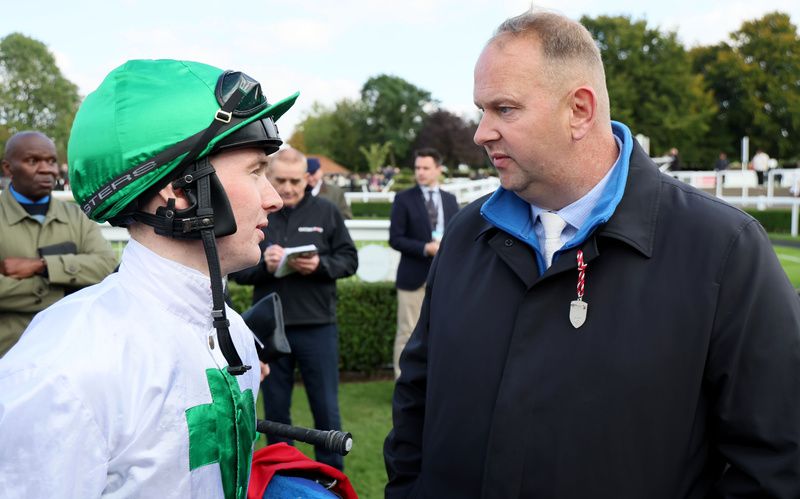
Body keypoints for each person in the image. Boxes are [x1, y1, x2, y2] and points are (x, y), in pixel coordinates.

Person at [384, 11, 800, 498]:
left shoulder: (724, 249)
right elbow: (417, 398)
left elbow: (775, 461)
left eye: (505, 109)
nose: (481, 132)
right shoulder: (466, 235)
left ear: (580, 110)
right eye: (481, 109)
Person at [0, 59, 298, 497]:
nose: (274, 199)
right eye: (256, 171)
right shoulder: (61, 370)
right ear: (179, 190)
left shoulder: (232, 330)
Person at [231, 147, 357, 471]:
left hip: (317, 325)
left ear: (308, 178)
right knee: (275, 412)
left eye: (294, 181)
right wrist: (266, 266)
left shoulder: (327, 212)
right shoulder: (257, 211)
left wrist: (319, 264)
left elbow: (349, 260)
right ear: (269, 177)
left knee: (326, 409)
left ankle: (331, 478)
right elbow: (238, 272)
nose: (287, 188)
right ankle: (280, 475)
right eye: (280, 180)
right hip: (271, 331)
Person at [0, 131, 117, 356]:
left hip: (68, 354)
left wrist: (42, 266)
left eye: (52, 161)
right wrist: (68, 288)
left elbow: (106, 266)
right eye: (33, 161)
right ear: (8, 168)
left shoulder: (77, 217)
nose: (47, 169)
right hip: (8, 355)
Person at [388, 147, 458, 379]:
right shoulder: (403, 199)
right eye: (417, 168)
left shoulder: (450, 200)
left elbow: (456, 235)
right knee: (407, 332)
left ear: (438, 170)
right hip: (412, 277)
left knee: (442, 332)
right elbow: (395, 239)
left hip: (444, 277)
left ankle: (435, 382)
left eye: (426, 168)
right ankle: (403, 383)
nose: (420, 172)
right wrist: (424, 248)